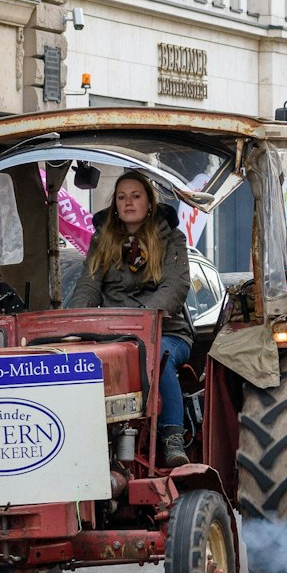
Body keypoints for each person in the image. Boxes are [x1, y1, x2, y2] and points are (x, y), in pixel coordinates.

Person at [68, 172, 193, 467]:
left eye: (136, 196)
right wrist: (73, 322)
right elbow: (88, 286)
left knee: (155, 353)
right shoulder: (103, 241)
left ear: (149, 203)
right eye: (122, 197)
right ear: (115, 204)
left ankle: (172, 437)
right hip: (115, 334)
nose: (128, 202)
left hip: (166, 331)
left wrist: (142, 321)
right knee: (79, 359)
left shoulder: (172, 239)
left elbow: (175, 287)